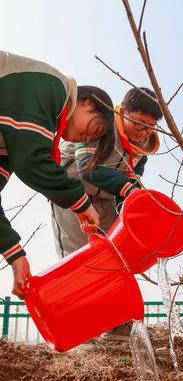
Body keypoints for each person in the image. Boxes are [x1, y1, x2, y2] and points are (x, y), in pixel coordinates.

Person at [0, 50, 114, 299]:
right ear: (88, 103)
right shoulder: (54, 87)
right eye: (93, 129)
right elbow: (32, 163)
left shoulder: (11, 143)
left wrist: (15, 256)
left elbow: (29, 160)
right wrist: (82, 203)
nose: (86, 139)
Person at [51, 87, 162, 342]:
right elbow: (88, 169)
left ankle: (114, 322)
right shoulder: (102, 124)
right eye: (138, 122)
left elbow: (133, 180)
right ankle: (77, 329)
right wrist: (129, 189)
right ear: (123, 112)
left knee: (115, 254)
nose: (142, 130)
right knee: (76, 256)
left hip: (107, 197)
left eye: (149, 126)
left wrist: (136, 209)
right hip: (72, 190)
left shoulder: (143, 145)